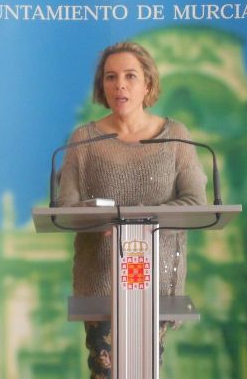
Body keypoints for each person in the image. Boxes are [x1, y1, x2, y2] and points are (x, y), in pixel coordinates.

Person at [57, 42, 207, 378]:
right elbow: (66, 208)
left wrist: (136, 220)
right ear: (102, 86)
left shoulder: (175, 136)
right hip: (101, 283)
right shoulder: (84, 140)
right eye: (110, 77)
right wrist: (100, 219)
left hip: (156, 282)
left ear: (148, 84)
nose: (119, 85)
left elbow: (195, 201)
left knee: (144, 371)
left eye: (130, 76)